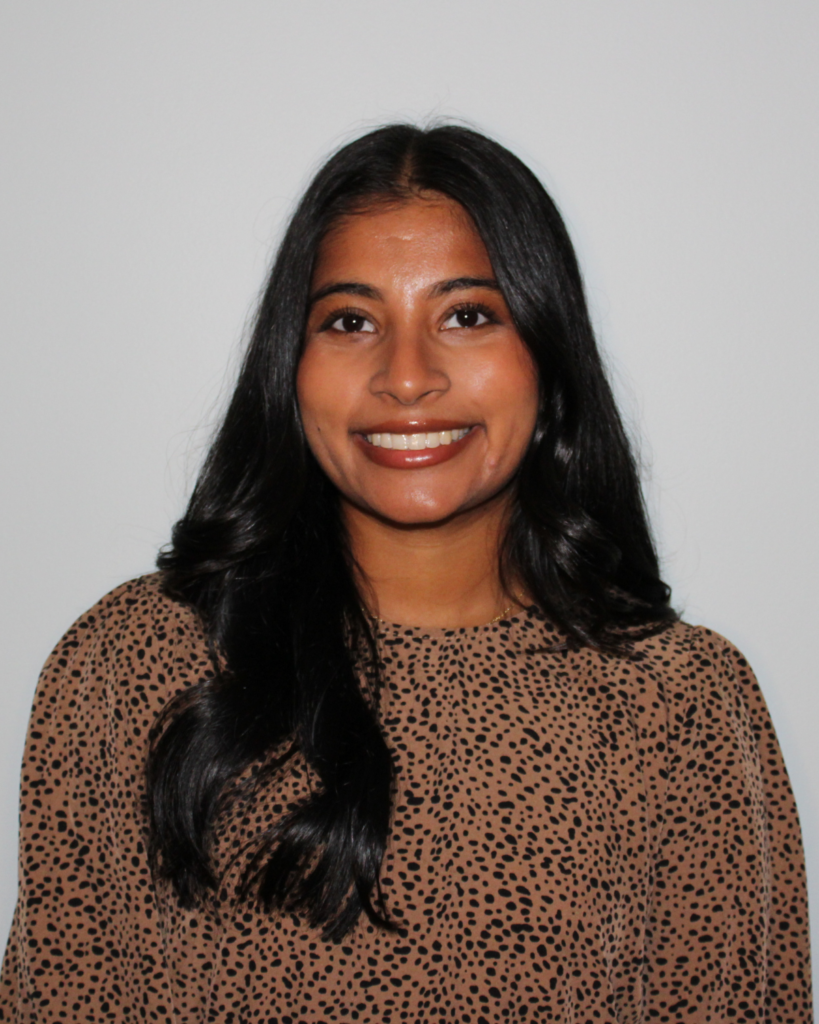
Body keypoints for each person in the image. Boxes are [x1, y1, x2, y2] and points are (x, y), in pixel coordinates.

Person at [0, 123, 811, 1023]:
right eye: (350, 321)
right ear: (289, 365)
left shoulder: (681, 701)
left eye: (466, 316)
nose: (407, 376)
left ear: (546, 357)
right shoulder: (131, 664)